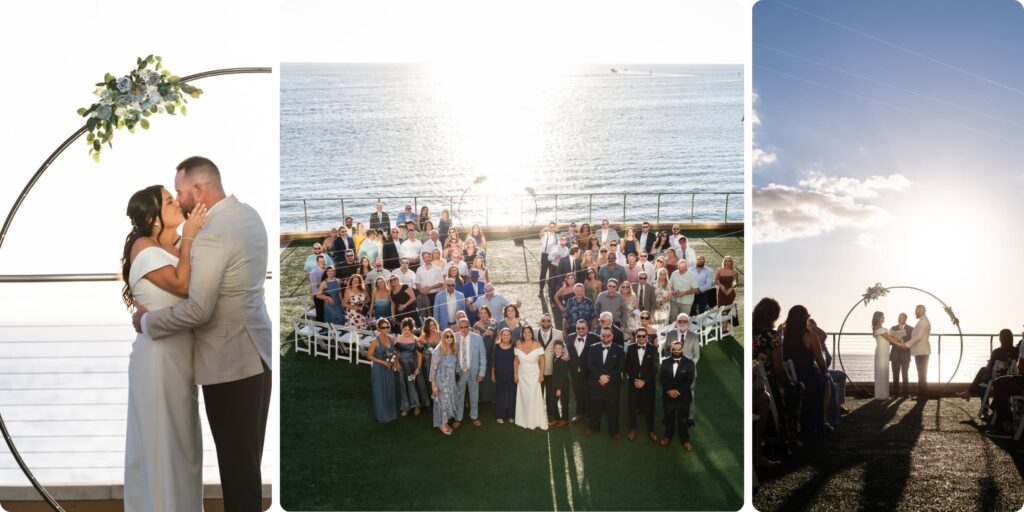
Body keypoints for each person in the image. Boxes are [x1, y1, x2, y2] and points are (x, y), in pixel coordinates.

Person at [131, 157, 271, 511]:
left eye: (178, 191)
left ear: (198, 189)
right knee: (245, 467)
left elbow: (198, 309)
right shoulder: (248, 215)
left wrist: (147, 322)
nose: (178, 200)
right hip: (256, 355)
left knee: (237, 472)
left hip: (228, 364)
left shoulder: (211, 235)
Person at [122, 184, 207, 511]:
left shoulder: (176, 247)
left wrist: (189, 238)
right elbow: (182, 284)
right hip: (155, 363)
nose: (176, 202)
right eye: (168, 201)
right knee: (159, 447)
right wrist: (190, 235)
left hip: (182, 362)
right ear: (152, 217)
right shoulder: (143, 247)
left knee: (184, 449)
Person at [782, 305, 831, 438]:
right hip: (807, 379)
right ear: (805, 319)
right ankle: (822, 421)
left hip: (787, 377)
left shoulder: (782, 334)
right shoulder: (810, 336)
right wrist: (824, 370)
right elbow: (821, 362)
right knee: (827, 380)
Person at [584, 326, 625, 442]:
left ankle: (614, 431)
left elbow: (620, 366)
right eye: (603, 335)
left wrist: (609, 378)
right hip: (596, 383)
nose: (606, 338)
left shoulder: (619, 349)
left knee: (613, 408)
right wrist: (599, 376)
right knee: (594, 407)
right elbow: (589, 364)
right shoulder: (593, 348)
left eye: (608, 335)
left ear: (612, 336)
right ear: (600, 336)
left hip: (612, 384)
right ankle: (593, 427)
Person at [959, 329, 1018, 401]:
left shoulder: (996, 352)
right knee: (983, 374)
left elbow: (991, 367)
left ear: (1000, 339)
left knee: (983, 373)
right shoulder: (1016, 351)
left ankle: (971, 393)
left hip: (996, 379)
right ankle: (971, 392)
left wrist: (989, 364)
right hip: (1010, 379)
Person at [659, 339, 695, 451]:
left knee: (683, 420)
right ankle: (667, 436)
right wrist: (670, 390)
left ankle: (685, 439)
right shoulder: (665, 362)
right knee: (668, 417)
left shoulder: (689, 363)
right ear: (670, 350)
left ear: (683, 349)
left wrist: (677, 391)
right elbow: (662, 378)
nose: (676, 351)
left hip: (683, 397)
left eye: (679, 349)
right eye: (674, 349)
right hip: (668, 396)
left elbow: (689, 380)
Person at [452, 318, 487, 428]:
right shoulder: (453, 337)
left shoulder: (477, 338)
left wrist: (481, 372)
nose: (463, 329)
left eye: (465, 327)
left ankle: (474, 416)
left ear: (469, 326)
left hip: (474, 373)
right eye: (461, 327)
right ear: (458, 327)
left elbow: (483, 357)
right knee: (459, 396)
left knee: (474, 395)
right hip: (459, 373)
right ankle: (458, 417)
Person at [625, 328, 658, 443]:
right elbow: (627, 366)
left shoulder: (653, 349)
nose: (641, 338)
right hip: (633, 383)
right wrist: (635, 380)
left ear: (647, 337)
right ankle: (632, 429)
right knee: (632, 406)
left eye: (643, 336)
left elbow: (654, 368)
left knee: (649, 407)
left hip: (648, 384)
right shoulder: (630, 348)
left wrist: (644, 381)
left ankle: (651, 430)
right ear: (635, 337)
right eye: (639, 336)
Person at [514, 325, 548, 430]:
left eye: (529, 332)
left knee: (534, 396)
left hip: (534, 374)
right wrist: (515, 375)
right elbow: (516, 361)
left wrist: (541, 374)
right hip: (522, 374)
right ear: (522, 334)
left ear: (532, 334)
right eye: (525, 332)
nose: (527, 334)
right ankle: (523, 419)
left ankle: (535, 420)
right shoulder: (518, 344)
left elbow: (542, 360)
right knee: (523, 396)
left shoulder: (537, 345)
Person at [566, 320, 597, 423]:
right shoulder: (570, 337)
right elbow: (568, 351)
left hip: (589, 372)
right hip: (575, 372)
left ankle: (591, 414)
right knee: (577, 393)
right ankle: (579, 413)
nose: (580, 330)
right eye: (578, 328)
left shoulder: (594, 338)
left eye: (583, 328)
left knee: (589, 393)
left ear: (587, 328)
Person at [430, 329, 460, 435]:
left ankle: (444, 421)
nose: (449, 338)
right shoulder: (438, 351)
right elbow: (433, 369)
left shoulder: (453, 349)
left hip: (450, 381)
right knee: (442, 402)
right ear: (443, 337)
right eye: (446, 336)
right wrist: (433, 385)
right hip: (440, 381)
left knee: (448, 401)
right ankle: (441, 424)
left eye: (451, 336)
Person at [535, 313, 563, 423]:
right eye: (543, 320)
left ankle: (551, 415)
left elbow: (563, 348)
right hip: (537, 370)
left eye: (548, 320)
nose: (546, 323)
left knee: (551, 396)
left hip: (552, 370)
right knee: (538, 395)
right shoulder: (533, 332)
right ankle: (538, 417)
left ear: (551, 321)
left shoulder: (558, 333)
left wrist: (565, 355)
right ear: (540, 321)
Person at [871, 311, 905, 400]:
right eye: (883, 317)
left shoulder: (880, 328)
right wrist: (899, 342)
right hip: (881, 352)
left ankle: (883, 394)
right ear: (879, 318)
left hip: (885, 352)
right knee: (881, 372)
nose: (884, 318)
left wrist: (897, 338)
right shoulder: (879, 328)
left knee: (884, 371)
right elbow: (890, 339)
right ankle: (881, 395)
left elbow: (889, 340)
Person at [394, 318, 424, 416]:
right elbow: (396, 353)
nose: (406, 332)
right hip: (402, 365)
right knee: (403, 385)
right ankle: (405, 406)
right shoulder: (398, 339)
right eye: (404, 329)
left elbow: (420, 355)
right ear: (402, 329)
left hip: (413, 365)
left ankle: (416, 405)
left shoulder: (415, 339)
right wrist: (397, 363)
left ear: (412, 329)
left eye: (408, 329)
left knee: (413, 384)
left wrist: (418, 368)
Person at [904, 305, 932, 400]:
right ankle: (922, 395)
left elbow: (918, 337)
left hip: (922, 351)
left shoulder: (923, 321)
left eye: (916, 310)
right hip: (921, 351)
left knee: (922, 374)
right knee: (921, 374)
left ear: (922, 310)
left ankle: (922, 396)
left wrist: (907, 345)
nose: (915, 312)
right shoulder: (922, 321)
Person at [473, 305, 498, 404]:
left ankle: (492, 396)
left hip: (492, 351)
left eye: (485, 313)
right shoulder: (476, 326)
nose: (483, 315)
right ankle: (482, 397)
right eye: (481, 313)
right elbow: (476, 342)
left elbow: (497, 337)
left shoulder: (494, 323)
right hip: (481, 352)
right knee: (483, 373)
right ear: (479, 315)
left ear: (488, 313)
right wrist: (484, 334)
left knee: (492, 372)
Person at [492, 328, 517, 423]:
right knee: (500, 395)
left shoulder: (514, 347)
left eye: (508, 335)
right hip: (499, 375)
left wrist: (516, 375)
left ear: (511, 336)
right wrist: (493, 374)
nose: (506, 336)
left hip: (511, 375)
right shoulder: (497, 347)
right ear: (501, 336)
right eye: (504, 334)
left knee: (511, 395)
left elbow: (516, 362)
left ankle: (511, 415)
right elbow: (494, 361)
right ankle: (500, 415)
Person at [547, 341, 571, 428]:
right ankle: (557, 418)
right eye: (556, 348)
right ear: (553, 349)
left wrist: (559, 389)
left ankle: (565, 420)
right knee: (553, 401)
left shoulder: (563, 360)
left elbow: (563, 375)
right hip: (555, 384)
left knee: (564, 402)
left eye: (559, 348)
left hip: (563, 385)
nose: (557, 350)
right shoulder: (555, 357)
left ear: (563, 350)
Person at [889, 313, 913, 398]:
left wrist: (902, 340)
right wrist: (896, 339)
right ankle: (895, 394)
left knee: (905, 375)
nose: (899, 319)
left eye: (901, 318)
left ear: (905, 319)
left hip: (905, 354)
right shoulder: (893, 328)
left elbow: (912, 341)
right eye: (899, 317)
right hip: (895, 355)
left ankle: (905, 394)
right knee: (895, 375)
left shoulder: (910, 329)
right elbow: (889, 342)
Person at [539, 222, 559, 298]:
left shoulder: (557, 236)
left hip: (553, 256)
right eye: (551, 227)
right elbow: (540, 234)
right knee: (543, 273)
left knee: (552, 274)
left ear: (555, 228)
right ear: (548, 227)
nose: (552, 228)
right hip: (545, 255)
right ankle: (541, 290)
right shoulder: (545, 234)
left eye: (553, 227)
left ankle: (551, 290)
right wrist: (544, 228)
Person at [715, 256, 739, 320]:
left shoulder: (734, 272)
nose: (727, 262)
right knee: (720, 309)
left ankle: (725, 327)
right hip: (721, 292)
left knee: (728, 309)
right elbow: (716, 281)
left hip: (730, 292)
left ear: (731, 262)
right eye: (726, 261)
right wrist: (721, 286)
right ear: (724, 262)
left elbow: (735, 283)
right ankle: (720, 324)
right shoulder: (719, 270)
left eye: (729, 261)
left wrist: (730, 289)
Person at [309, 254, 328, 323]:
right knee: (320, 316)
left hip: (327, 295)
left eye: (324, 261)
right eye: (321, 261)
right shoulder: (313, 273)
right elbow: (314, 289)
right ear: (317, 263)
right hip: (319, 297)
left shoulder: (328, 271)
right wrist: (323, 297)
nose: (323, 263)